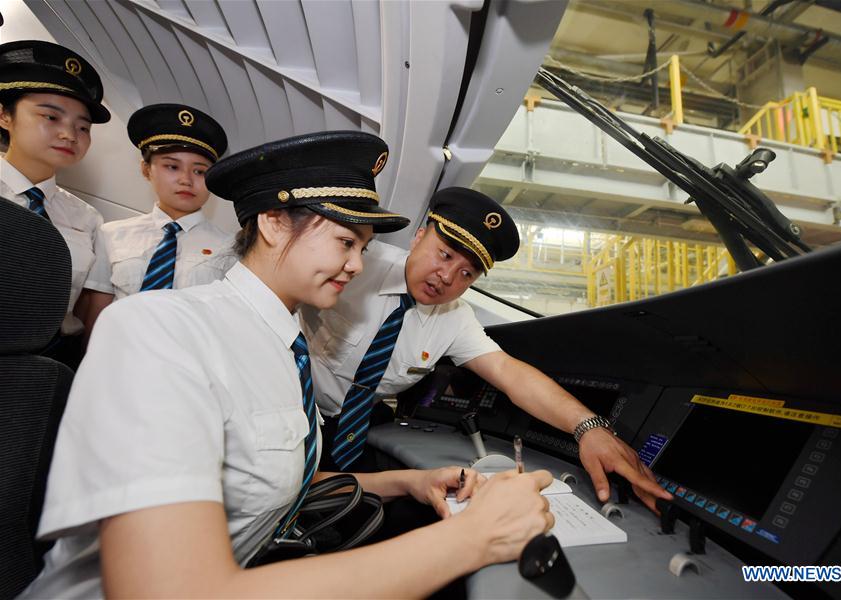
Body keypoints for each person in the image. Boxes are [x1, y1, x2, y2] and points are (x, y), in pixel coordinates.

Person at [21, 131, 554, 599]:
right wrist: (472, 538)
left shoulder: (286, 343)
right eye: (347, 241)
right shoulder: (158, 332)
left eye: (364, 248)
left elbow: (273, 480)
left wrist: (412, 481)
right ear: (274, 224)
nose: (356, 265)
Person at [301, 186, 673, 511]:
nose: (447, 277)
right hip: (300, 412)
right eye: (445, 254)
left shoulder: (454, 317)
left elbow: (509, 373)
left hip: (358, 429)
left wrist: (588, 428)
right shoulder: (354, 262)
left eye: (467, 273)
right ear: (418, 236)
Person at [80, 103, 235, 341]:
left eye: (200, 171)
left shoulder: (231, 249)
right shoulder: (111, 235)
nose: (185, 180)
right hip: (118, 356)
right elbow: (96, 316)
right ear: (146, 169)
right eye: (172, 166)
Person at [0, 40, 110, 368]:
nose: (69, 135)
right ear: (4, 115)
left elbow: (90, 311)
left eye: (82, 127)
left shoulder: (87, 219)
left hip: (47, 368)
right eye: (51, 116)